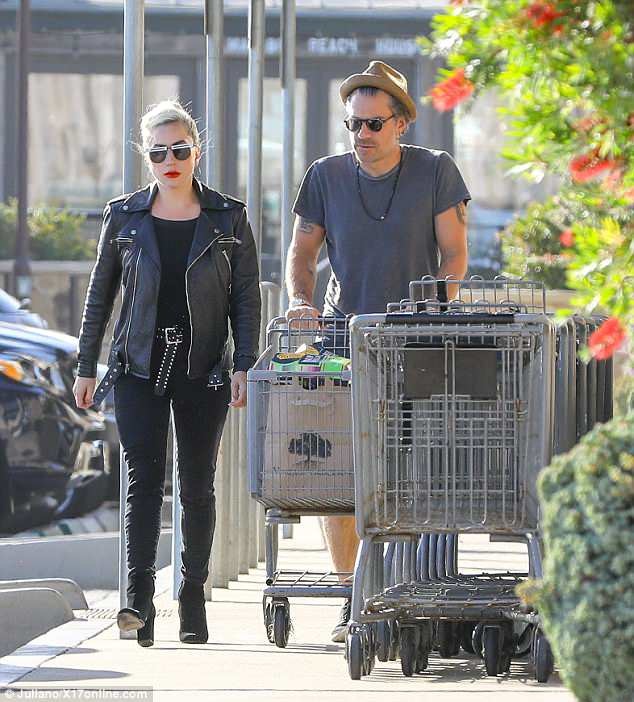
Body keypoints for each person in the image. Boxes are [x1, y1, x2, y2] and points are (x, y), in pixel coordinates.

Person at [285, 61, 470, 642]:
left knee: (411, 472)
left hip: (416, 341)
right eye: (352, 124)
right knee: (343, 470)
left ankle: (404, 591)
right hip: (344, 337)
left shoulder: (435, 171)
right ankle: (351, 597)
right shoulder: (325, 176)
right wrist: (300, 303)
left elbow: (454, 256)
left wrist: (433, 306)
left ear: (401, 123)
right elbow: (301, 253)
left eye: (372, 124)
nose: (361, 135)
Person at [73, 100, 261, 647]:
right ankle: (138, 599)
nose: (170, 161)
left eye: (179, 150)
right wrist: (86, 366)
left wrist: (244, 364)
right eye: (158, 153)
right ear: (146, 157)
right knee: (142, 480)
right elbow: (99, 297)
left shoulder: (228, 217)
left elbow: (245, 297)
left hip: (203, 369)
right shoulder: (124, 216)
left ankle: (192, 594)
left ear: (196, 152)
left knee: (197, 484)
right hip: (138, 366)